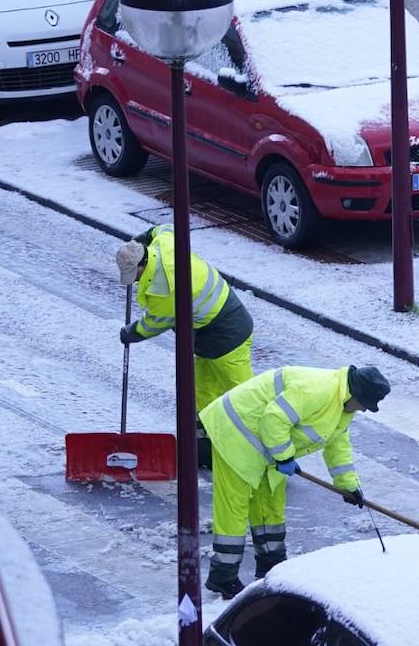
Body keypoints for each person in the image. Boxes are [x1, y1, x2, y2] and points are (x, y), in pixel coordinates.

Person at [199, 364, 391, 598]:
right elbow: (274, 418)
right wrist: (284, 456)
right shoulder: (319, 390)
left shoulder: (343, 407)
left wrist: (348, 485)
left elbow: (337, 445)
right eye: (364, 405)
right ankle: (223, 576)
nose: (363, 411)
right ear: (355, 394)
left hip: (266, 447)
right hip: (237, 430)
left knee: (270, 504)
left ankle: (272, 565)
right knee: (235, 506)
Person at [116, 225, 254, 469]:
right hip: (204, 335)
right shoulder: (163, 244)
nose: (134, 280)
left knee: (243, 397)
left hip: (228, 334)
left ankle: (265, 452)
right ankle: (204, 448)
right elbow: (163, 228)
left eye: (134, 275)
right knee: (204, 395)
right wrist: (139, 240)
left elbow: (152, 325)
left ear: (142, 265)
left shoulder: (164, 289)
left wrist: (130, 333)